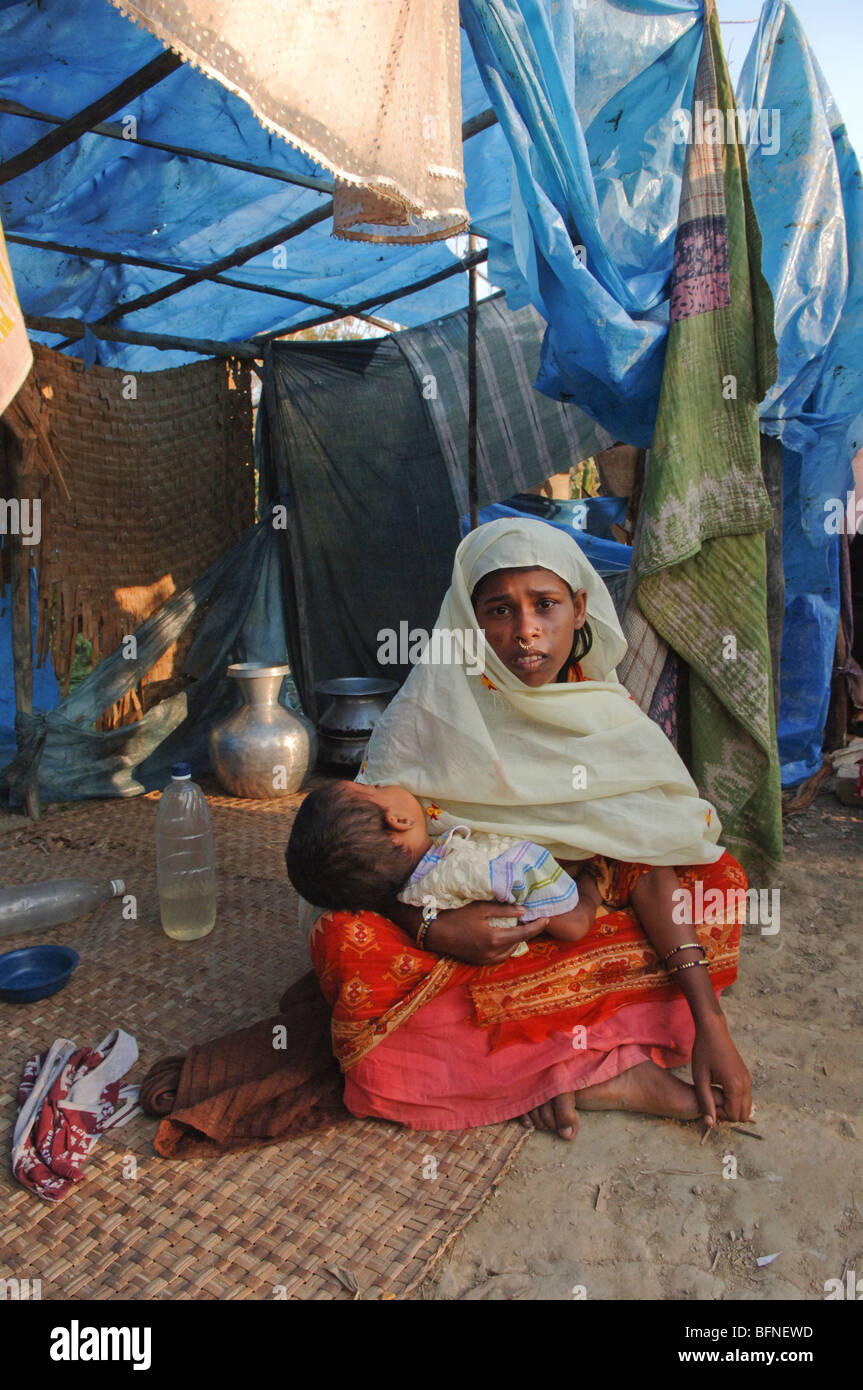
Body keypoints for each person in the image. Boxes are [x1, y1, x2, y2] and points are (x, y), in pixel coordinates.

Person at [302, 517, 752, 1142]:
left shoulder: (606, 718)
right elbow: (372, 859)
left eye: (545, 605)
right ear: (468, 620)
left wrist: (712, 1024)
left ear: (580, 606)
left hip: (578, 926)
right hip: (470, 943)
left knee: (718, 885)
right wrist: (432, 927)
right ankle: (592, 1069)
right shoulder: (429, 709)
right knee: (342, 941)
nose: (526, 632)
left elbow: (651, 858)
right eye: (498, 611)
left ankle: (541, 1067)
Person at [286, 777, 600, 943]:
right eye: (375, 787)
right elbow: (571, 927)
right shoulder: (477, 868)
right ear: (399, 821)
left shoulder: (408, 894)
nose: (382, 782)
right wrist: (589, 888)